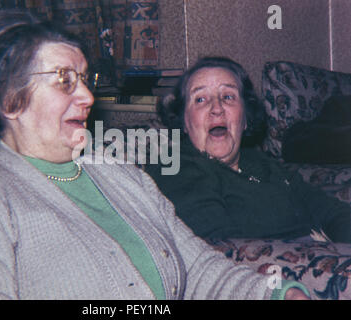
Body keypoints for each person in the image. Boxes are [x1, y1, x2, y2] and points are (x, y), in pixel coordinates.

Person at [0, 17, 309, 300]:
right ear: (10, 100)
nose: (88, 98)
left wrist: (276, 294)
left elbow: (198, 268)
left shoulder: (124, 177)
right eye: (63, 81)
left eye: (85, 80)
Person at [145, 57, 351, 243]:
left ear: (245, 118)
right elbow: (218, 249)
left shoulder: (261, 162)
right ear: (184, 121)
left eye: (228, 97)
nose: (216, 108)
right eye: (200, 99)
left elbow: (333, 212)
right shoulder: (175, 165)